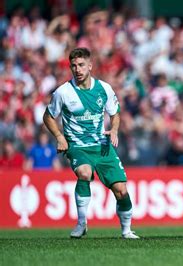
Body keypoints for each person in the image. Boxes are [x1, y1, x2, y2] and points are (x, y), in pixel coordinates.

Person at [43, 47, 139, 239]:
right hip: (77, 147)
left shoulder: (104, 88)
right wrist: (60, 137)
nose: (77, 70)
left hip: (102, 146)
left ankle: (126, 230)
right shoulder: (63, 92)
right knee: (84, 173)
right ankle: (81, 223)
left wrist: (114, 129)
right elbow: (48, 117)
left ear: (90, 66)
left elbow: (115, 113)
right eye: (73, 66)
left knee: (121, 190)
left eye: (80, 65)